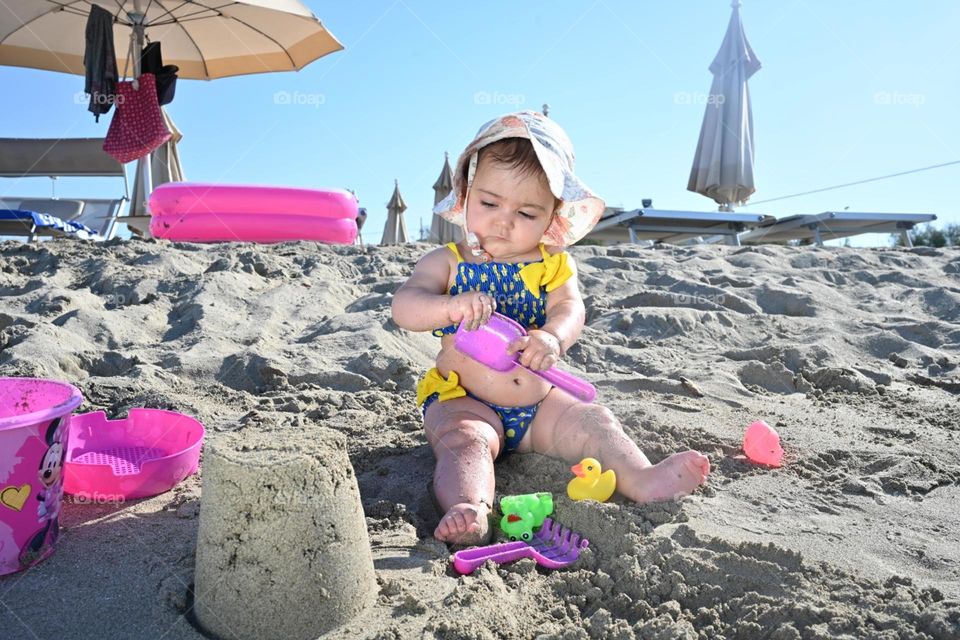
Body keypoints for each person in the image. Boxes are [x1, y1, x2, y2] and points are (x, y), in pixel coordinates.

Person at [391, 111, 710, 545]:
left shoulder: (552, 264)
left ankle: (643, 479)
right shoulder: (447, 261)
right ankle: (470, 507)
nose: (503, 221)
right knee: (465, 443)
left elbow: (570, 306)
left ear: (552, 216)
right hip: (464, 399)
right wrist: (448, 307)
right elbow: (405, 308)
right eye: (488, 204)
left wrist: (552, 336)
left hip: (539, 404)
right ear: (465, 196)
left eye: (525, 211)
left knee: (595, 421)